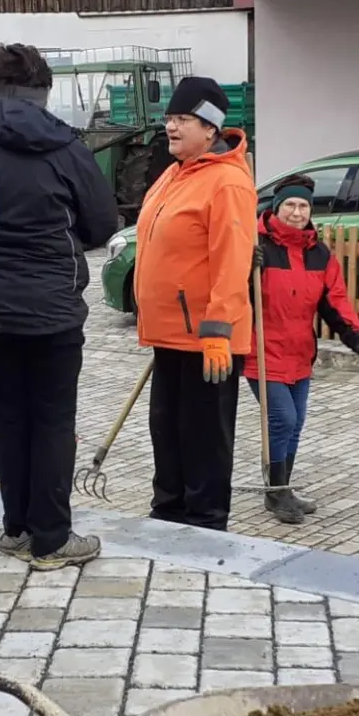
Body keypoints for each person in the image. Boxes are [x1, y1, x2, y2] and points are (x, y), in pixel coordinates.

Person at [0, 44, 118, 570]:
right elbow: (102, 223)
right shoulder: (67, 148)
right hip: (53, 309)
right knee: (52, 422)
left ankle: (15, 529)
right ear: (44, 90)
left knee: (5, 420)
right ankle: (51, 538)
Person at [132, 76, 257, 532]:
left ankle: (205, 522)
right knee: (166, 431)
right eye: (169, 118)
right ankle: (168, 512)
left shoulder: (226, 183)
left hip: (207, 338)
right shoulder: (173, 173)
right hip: (168, 333)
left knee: (203, 437)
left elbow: (232, 263)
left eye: (183, 119)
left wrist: (218, 332)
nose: (171, 126)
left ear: (211, 128)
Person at [247, 174, 359, 524]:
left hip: (300, 351)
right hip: (260, 349)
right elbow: (234, 292)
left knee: (297, 421)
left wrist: (356, 339)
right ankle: (275, 494)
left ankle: (283, 487)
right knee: (282, 419)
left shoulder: (318, 254)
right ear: (276, 208)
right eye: (289, 204)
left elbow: (334, 301)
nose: (296, 212)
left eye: (303, 205)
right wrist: (247, 269)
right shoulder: (255, 246)